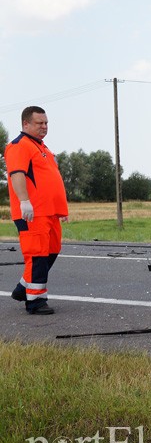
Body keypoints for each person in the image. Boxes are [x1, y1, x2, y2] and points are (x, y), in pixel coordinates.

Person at [5, 106, 69, 315]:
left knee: (52, 251)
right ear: (26, 124)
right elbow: (17, 174)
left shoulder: (43, 148)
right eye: (39, 123)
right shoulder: (19, 146)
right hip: (32, 213)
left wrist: (61, 209)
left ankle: (23, 288)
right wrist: (24, 201)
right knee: (37, 255)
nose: (44, 126)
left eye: (46, 123)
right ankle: (35, 301)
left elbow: (50, 180)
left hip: (50, 213)